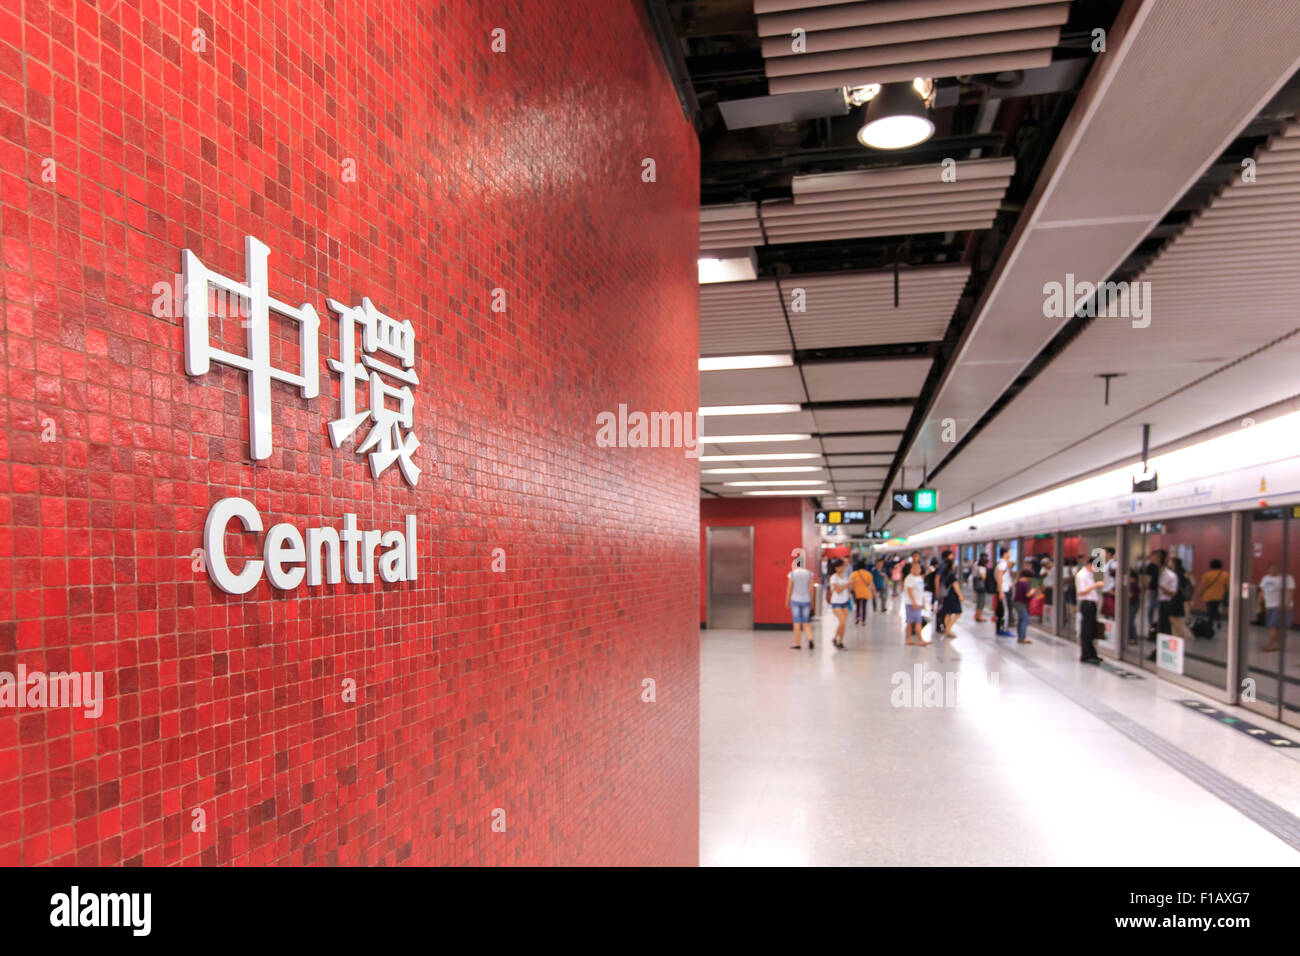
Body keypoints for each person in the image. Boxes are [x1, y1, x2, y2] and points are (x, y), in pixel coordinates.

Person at [1259, 562, 1295, 653]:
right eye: (1272, 568)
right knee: (1275, 626)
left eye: (1277, 568)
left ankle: (1271, 644)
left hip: (1280, 606)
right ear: (1268, 569)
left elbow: (1291, 591)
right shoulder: (1265, 578)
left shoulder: (1287, 578)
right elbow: (1262, 591)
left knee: (1273, 626)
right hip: (1269, 605)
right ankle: (1277, 645)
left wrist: (1286, 603)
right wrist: (1260, 603)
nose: (1275, 569)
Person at [1075, 557, 1104, 663]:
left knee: (1091, 630)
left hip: (1091, 604)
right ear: (1089, 564)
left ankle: (1091, 653)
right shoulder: (1082, 575)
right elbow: (1081, 592)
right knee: (1087, 630)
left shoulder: (1089, 575)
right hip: (1087, 604)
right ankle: (1087, 655)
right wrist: (1095, 585)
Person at [786, 557, 815, 650]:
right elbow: (811, 588)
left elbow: (789, 588)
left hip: (795, 600)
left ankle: (798, 643)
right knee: (805, 622)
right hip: (806, 600)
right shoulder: (809, 573)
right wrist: (812, 600)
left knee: (797, 622)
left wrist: (787, 600)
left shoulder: (792, 574)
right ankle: (810, 639)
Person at [1193, 558, 1229, 630]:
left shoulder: (1207, 575)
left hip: (1209, 596)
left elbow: (1203, 586)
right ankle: (1218, 621)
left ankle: (1210, 623)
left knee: (1210, 610)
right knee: (1215, 609)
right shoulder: (1225, 575)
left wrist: (1198, 594)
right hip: (1220, 596)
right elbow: (1227, 586)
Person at [903, 560, 929, 646]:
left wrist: (923, 602)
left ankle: (910, 639)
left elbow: (921, 591)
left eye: (919, 568)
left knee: (916, 621)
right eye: (915, 568)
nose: (917, 570)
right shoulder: (909, 578)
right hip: (911, 604)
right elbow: (909, 591)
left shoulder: (919, 578)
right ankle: (918, 639)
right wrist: (914, 602)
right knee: (913, 622)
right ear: (911, 569)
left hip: (918, 603)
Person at [826, 558, 852, 650]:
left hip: (845, 602)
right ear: (837, 568)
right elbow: (838, 590)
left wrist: (851, 585)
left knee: (843, 624)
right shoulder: (833, 577)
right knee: (842, 622)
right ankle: (836, 639)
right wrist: (847, 584)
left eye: (844, 566)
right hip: (836, 603)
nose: (843, 568)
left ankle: (840, 641)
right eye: (841, 566)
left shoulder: (845, 577)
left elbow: (847, 590)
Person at [1011, 568, 1038, 644]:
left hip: (1016, 602)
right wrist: (1033, 590)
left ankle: (1020, 636)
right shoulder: (1025, 583)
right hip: (1021, 603)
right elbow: (1028, 594)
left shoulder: (1018, 582)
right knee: (1025, 619)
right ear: (1028, 577)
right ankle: (1022, 638)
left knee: (1020, 619)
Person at [940, 556, 963, 637]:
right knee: (958, 612)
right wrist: (960, 595)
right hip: (952, 595)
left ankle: (948, 629)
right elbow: (955, 586)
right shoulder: (952, 575)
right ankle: (948, 629)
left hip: (946, 595)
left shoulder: (944, 574)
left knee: (948, 613)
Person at [993, 549, 1013, 637]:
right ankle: (1004, 629)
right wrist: (1001, 592)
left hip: (1003, 590)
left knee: (1001, 610)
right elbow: (1000, 578)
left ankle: (999, 629)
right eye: (1009, 552)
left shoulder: (1001, 563)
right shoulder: (1003, 564)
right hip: (1004, 590)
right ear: (1005, 554)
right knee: (1005, 610)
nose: (1010, 554)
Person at [850, 559, 875, 626]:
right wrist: (874, 592)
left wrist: (850, 590)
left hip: (857, 592)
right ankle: (863, 621)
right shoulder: (868, 574)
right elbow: (871, 584)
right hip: (865, 592)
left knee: (857, 606)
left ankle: (857, 617)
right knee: (864, 607)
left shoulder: (854, 574)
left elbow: (852, 584)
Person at [973, 554, 989, 622]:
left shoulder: (976, 564)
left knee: (979, 601)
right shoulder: (981, 567)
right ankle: (979, 616)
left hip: (977, 585)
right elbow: (983, 577)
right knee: (981, 601)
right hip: (981, 586)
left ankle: (977, 615)